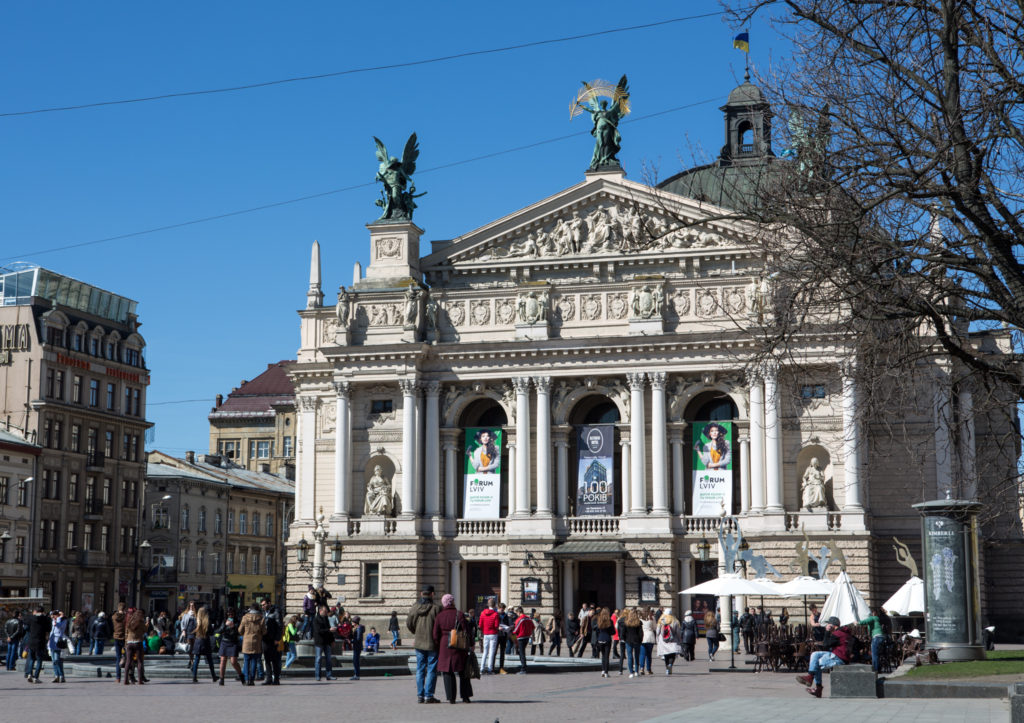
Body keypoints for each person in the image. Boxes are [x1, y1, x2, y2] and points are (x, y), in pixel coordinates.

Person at [432, 593, 473, 704]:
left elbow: (435, 634)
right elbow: (467, 631)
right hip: (458, 644)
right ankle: (465, 696)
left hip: (444, 644)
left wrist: (437, 645)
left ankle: (451, 697)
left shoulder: (440, 616)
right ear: (453, 602)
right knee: (463, 672)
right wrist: (471, 644)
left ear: (444, 603)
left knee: (447, 672)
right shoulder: (459, 614)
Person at [797, 616, 852, 697]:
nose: (827, 625)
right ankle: (811, 678)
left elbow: (825, 644)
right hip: (840, 657)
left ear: (832, 625)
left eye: (828, 624)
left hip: (838, 658)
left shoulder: (837, 634)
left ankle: (816, 686)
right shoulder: (844, 633)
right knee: (815, 654)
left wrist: (827, 632)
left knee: (816, 663)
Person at [407, 584, 441, 703]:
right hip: (432, 643)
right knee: (432, 669)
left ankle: (420, 695)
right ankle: (429, 695)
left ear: (421, 594)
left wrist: (416, 633)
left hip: (419, 642)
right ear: (432, 594)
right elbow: (440, 626)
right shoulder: (436, 608)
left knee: (420, 669)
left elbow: (409, 623)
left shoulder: (415, 607)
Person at [857, 606, 892, 673]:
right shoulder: (879, 618)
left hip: (876, 637)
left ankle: (875, 669)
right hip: (882, 637)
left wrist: (856, 622)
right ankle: (878, 668)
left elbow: (863, 622)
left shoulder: (873, 618)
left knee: (874, 654)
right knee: (878, 654)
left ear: (874, 612)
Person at [237, 603, 265, 686]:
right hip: (257, 642)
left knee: (246, 661)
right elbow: (264, 631)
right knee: (254, 661)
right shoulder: (261, 618)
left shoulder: (245, 618)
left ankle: (246, 679)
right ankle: (252, 680)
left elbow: (240, 630)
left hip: (246, 643)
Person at [190, 606, 219, 683]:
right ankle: (213, 676)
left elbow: (192, 630)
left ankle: (194, 676)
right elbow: (211, 632)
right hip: (205, 641)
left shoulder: (196, 621)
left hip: (198, 641)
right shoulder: (208, 622)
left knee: (196, 659)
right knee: (210, 660)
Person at [215, 611, 245, 685]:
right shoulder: (224, 621)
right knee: (223, 660)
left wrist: (233, 626)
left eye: (232, 614)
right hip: (225, 641)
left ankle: (241, 675)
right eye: (228, 614)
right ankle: (221, 679)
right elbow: (218, 631)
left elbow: (239, 632)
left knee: (233, 662)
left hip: (233, 642)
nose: (230, 616)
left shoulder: (237, 622)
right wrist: (225, 625)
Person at [23, 606, 50, 684]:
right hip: (40, 641)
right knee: (39, 660)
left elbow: (25, 622)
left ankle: (29, 674)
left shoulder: (31, 618)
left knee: (31, 658)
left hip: (31, 641)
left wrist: (33, 615)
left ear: (35, 611)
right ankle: (36, 677)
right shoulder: (45, 619)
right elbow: (48, 628)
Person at [260, 599, 282, 685]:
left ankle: (276, 679)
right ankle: (268, 678)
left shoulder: (276, 612)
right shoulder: (263, 613)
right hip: (265, 639)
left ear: (269, 603)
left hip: (273, 640)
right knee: (267, 659)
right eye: (262, 605)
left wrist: (277, 638)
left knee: (275, 660)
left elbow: (280, 626)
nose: (263, 606)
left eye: (264, 604)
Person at [123, 607, 147, 686]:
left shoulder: (129, 621)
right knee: (139, 661)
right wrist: (146, 625)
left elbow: (126, 631)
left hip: (129, 642)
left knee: (128, 661)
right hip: (138, 642)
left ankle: (126, 679)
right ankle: (140, 680)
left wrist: (126, 642)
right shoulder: (141, 622)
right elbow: (144, 630)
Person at [311, 604, 336, 682]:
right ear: (320, 610)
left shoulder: (326, 618)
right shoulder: (316, 620)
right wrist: (329, 630)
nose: (326, 613)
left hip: (327, 642)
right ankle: (318, 676)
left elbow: (329, 630)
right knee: (318, 659)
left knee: (329, 659)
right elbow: (318, 631)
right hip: (319, 642)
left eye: (326, 612)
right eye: (325, 611)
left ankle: (329, 675)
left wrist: (332, 640)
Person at [657, 608, 683, 674]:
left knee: (666, 655)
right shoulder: (675, 621)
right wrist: (680, 640)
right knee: (672, 654)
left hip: (663, 641)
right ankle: (670, 665)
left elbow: (657, 632)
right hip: (673, 640)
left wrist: (658, 638)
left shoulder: (661, 620)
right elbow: (678, 632)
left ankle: (667, 669)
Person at [478, 597, 500, 674]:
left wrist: (484, 629)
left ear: (488, 605)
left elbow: (480, 625)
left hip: (486, 634)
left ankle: (482, 668)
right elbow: (496, 625)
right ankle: (490, 669)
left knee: (485, 652)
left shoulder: (482, 613)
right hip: (493, 634)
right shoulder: (495, 614)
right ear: (494, 605)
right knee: (491, 652)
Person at [621, 608, 643, 678]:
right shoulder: (638, 623)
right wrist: (640, 640)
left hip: (629, 640)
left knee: (630, 656)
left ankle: (631, 672)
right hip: (637, 640)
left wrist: (625, 639)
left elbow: (623, 633)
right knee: (637, 656)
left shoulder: (626, 623)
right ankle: (636, 671)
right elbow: (641, 633)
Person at [512, 606, 535, 674]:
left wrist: (511, 632)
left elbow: (516, 630)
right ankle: (524, 665)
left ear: (519, 612)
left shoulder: (520, 619)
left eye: (517, 613)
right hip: (527, 637)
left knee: (521, 652)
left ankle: (523, 668)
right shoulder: (528, 618)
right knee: (521, 651)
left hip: (520, 637)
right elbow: (533, 627)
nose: (517, 615)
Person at [593, 607, 614, 678]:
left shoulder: (599, 620)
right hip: (607, 639)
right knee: (606, 656)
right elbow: (613, 632)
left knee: (603, 655)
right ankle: (606, 672)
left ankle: (602, 670)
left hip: (600, 639)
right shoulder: (610, 621)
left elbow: (597, 630)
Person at [48, 610, 68, 683]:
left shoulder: (63, 621)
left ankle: (61, 676)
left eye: (55, 615)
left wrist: (59, 617)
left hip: (58, 641)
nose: (54, 616)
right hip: (52, 641)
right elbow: (52, 631)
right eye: (53, 615)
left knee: (57, 660)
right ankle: (56, 675)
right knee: (54, 660)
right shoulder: (53, 620)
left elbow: (59, 626)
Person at [111, 602, 127, 683]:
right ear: (124, 608)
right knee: (127, 657)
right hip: (124, 638)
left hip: (116, 637)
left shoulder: (113, 617)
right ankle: (127, 677)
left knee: (118, 657)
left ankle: (118, 677)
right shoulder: (126, 617)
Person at [496, 602, 512, 673]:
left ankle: (501, 668)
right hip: (497, 635)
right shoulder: (495, 615)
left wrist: (509, 628)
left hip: (504, 635)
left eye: (503, 610)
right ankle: (492, 667)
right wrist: (497, 628)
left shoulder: (505, 616)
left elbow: (508, 624)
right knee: (494, 652)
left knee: (502, 652)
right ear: (498, 609)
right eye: (501, 610)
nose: (503, 611)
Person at [640, 608, 656, 675]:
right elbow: (655, 627)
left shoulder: (640, 618)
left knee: (642, 654)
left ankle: (641, 668)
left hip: (643, 637)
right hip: (650, 636)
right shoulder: (652, 618)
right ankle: (648, 669)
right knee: (649, 654)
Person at [349, 615, 365, 680]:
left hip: (357, 646)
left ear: (355, 622)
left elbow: (358, 639)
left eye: (352, 622)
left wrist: (351, 641)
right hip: (357, 646)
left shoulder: (358, 628)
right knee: (355, 660)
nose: (351, 623)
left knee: (355, 661)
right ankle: (356, 674)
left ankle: (357, 675)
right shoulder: (357, 628)